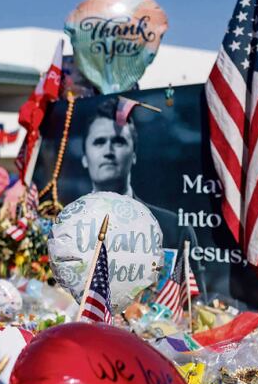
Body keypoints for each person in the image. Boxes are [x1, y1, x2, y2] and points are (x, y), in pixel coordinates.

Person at [80, 100, 199, 275]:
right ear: (84, 157)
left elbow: (193, 299)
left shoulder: (173, 230)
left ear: (134, 154)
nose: (108, 151)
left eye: (119, 141)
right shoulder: (65, 227)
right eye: (99, 142)